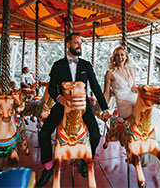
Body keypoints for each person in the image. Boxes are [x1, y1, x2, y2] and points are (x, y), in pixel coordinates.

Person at [36, 32, 110, 187]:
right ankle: (48, 166)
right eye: (76, 43)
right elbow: (51, 87)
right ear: (68, 45)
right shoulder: (58, 65)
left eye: (81, 43)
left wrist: (104, 108)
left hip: (83, 106)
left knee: (96, 135)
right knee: (43, 133)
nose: (79, 46)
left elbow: (95, 87)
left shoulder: (85, 65)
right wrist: (58, 98)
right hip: (64, 105)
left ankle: (83, 160)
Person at [103, 46, 160, 180]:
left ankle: (155, 139)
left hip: (134, 99)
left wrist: (143, 91)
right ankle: (150, 143)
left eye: (122, 55)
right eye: (118, 55)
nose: (120, 57)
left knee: (154, 112)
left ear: (126, 57)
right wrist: (105, 108)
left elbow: (133, 88)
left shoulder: (129, 70)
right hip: (123, 103)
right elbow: (106, 92)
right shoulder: (110, 73)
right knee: (144, 113)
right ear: (114, 58)